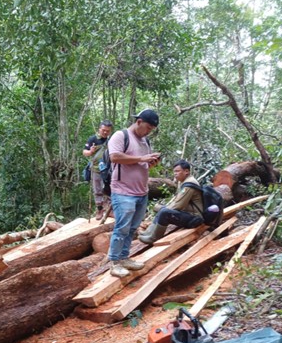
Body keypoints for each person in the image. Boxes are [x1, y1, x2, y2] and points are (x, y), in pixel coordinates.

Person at [107, 109, 162, 278]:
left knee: (132, 229)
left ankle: (124, 258)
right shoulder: (120, 136)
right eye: (148, 128)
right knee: (121, 228)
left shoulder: (145, 141)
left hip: (141, 192)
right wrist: (141, 159)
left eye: (151, 130)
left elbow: (143, 165)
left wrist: (151, 162)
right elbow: (114, 157)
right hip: (123, 191)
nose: (148, 132)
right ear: (138, 122)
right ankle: (114, 262)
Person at [139, 159, 203, 244]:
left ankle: (154, 238)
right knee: (162, 209)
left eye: (177, 171)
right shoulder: (186, 182)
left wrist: (164, 208)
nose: (175, 174)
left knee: (164, 212)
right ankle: (148, 232)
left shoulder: (190, 185)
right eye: (174, 171)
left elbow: (179, 205)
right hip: (189, 213)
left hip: (194, 218)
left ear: (186, 171)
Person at [83, 120, 113, 219]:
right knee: (97, 190)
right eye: (103, 130)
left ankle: (109, 209)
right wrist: (90, 152)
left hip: (109, 169)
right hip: (96, 169)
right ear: (99, 129)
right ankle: (99, 210)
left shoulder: (112, 140)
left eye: (107, 131)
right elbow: (84, 152)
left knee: (109, 189)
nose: (105, 132)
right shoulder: (93, 139)